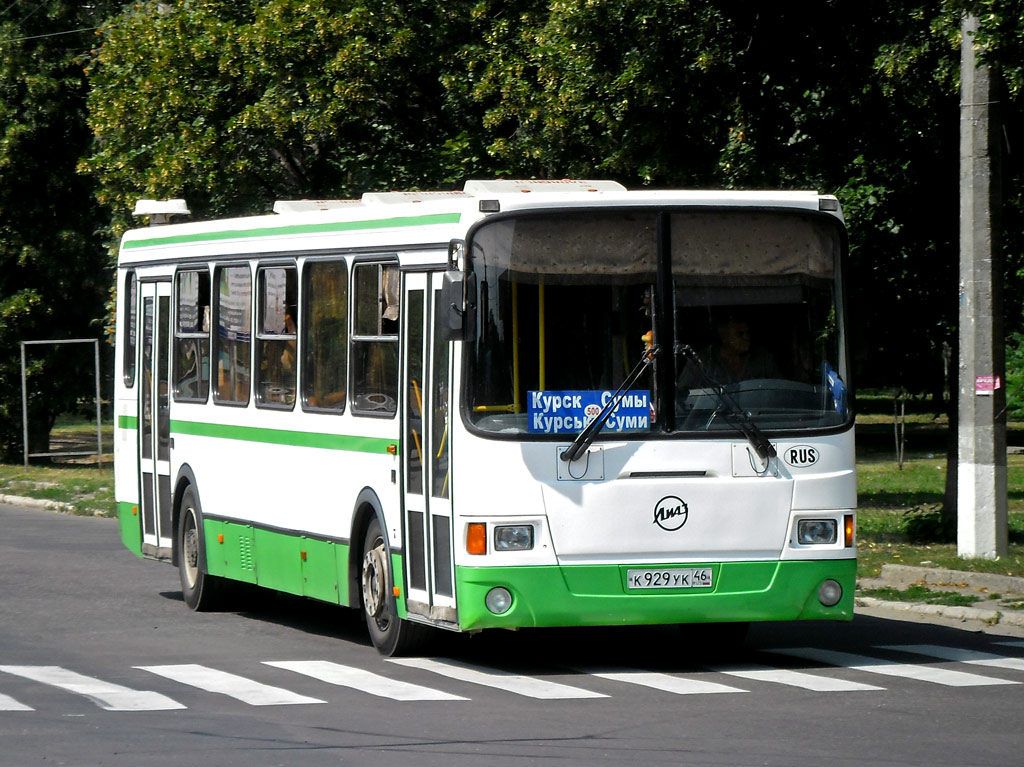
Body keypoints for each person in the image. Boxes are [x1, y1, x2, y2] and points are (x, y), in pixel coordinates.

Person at [678, 313, 779, 388]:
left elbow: (779, 389)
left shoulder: (763, 358)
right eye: (740, 334)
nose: (746, 337)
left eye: (748, 332)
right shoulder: (701, 362)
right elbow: (682, 396)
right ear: (724, 336)